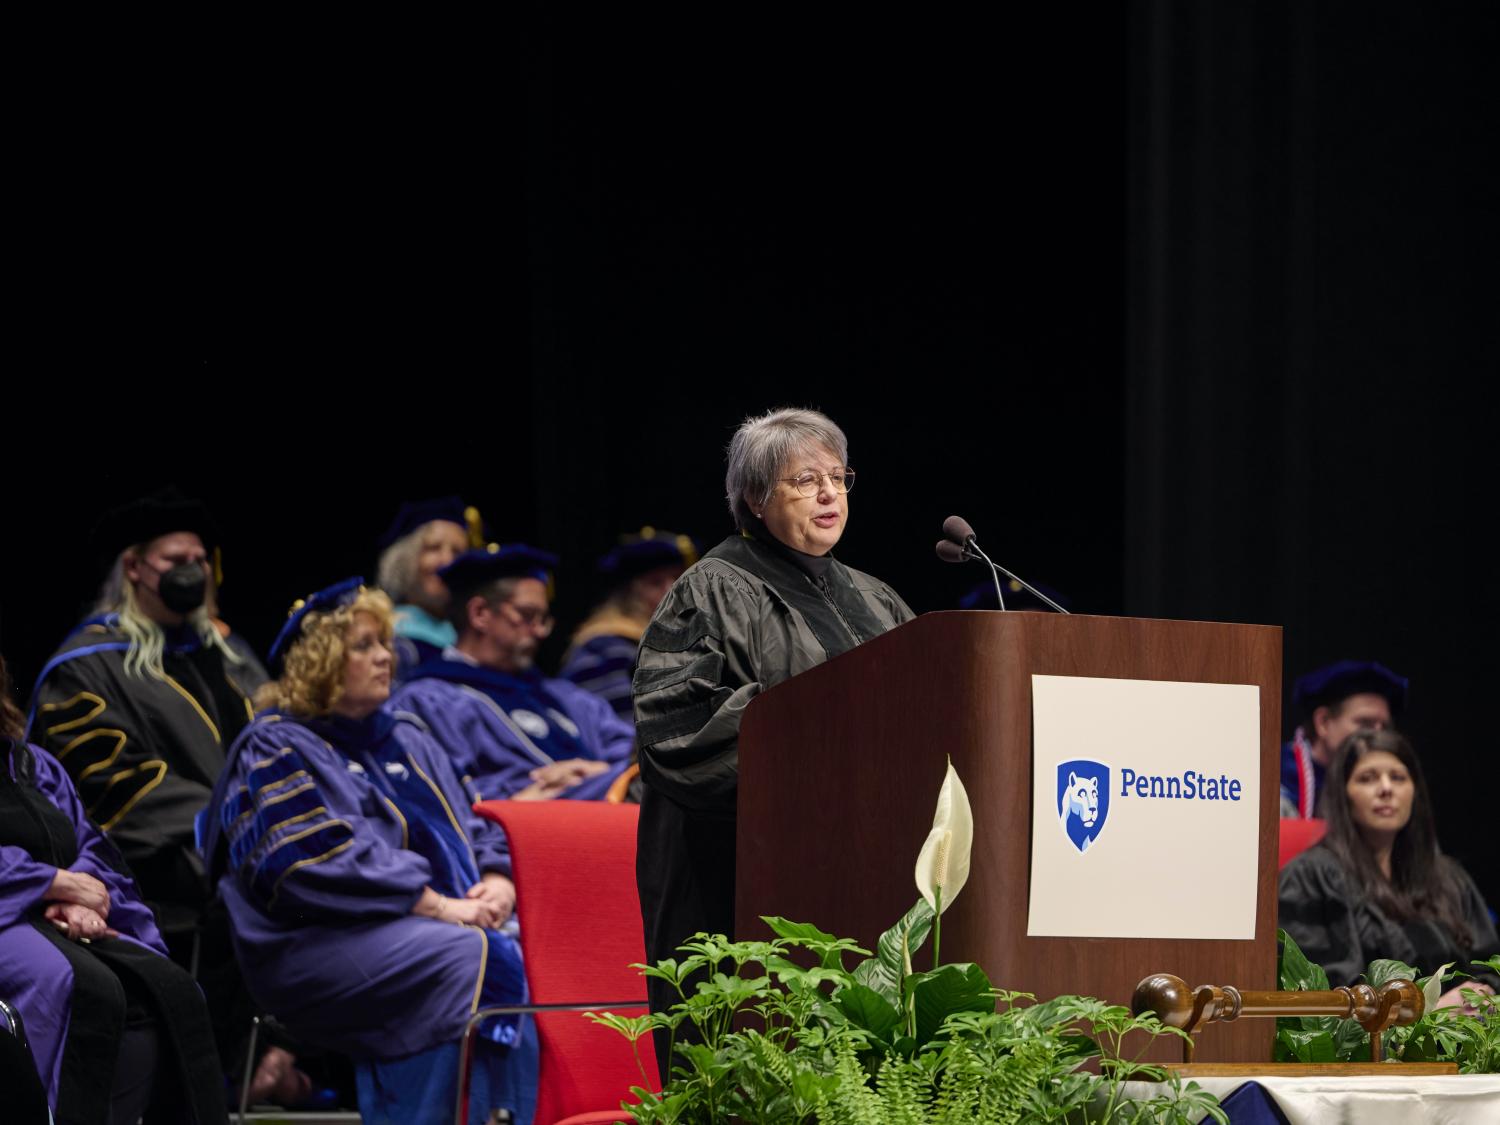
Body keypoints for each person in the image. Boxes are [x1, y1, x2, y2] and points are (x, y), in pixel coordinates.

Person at [631, 406, 915, 1067]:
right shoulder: (710, 590)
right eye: (804, 479)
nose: (828, 494)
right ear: (756, 498)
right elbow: (678, 732)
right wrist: (822, 753)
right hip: (732, 879)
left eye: (838, 478)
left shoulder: (877, 599)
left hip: (864, 873)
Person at [203, 580, 535, 1125]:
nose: (385, 656)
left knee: (536, 953)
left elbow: (478, 821)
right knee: (465, 961)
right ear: (319, 661)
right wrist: (437, 905)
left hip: (445, 924)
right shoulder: (278, 745)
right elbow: (307, 863)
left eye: (384, 643)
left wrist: (498, 879)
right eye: (363, 645)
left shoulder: (408, 737)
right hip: (317, 944)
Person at [1, 652, 225, 1124]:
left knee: (172, 989)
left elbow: (90, 841)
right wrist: (50, 884)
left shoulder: (30, 764)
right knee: (72, 984)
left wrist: (85, 896)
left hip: (60, 915)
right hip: (9, 915)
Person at [391, 546, 635, 802]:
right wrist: (525, 794)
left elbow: (632, 753)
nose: (540, 631)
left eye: (544, 619)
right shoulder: (429, 701)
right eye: (528, 615)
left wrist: (598, 772)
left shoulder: (564, 697)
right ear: (480, 614)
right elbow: (442, 792)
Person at [1278, 728, 1499, 1005]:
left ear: (1414, 792)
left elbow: (1489, 965)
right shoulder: (1311, 878)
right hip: (1372, 1047)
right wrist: (1427, 1014)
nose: (1386, 788)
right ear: (1343, 794)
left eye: (1398, 777)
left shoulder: (1446, 877)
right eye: (1367, 778)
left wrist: (1482, 995)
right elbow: (1325, 1005)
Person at [558, 528, 697, 721]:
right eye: (655, 583)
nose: (671, 591)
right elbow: (624, 728)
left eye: (676, 578)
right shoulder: (606, 648)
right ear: (628, 593)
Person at [374, 497, 484, 682]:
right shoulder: (385, 636)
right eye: (433, 548)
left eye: (457, 552)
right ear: (404, 560)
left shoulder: (473, 640)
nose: (447, 561)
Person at [1280, 660, 1406, 818]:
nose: (1378, 736)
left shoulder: (1390, 789)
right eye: (1365, 724)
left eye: (1384, 727)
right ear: (1323, 722)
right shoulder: (1276, 779)